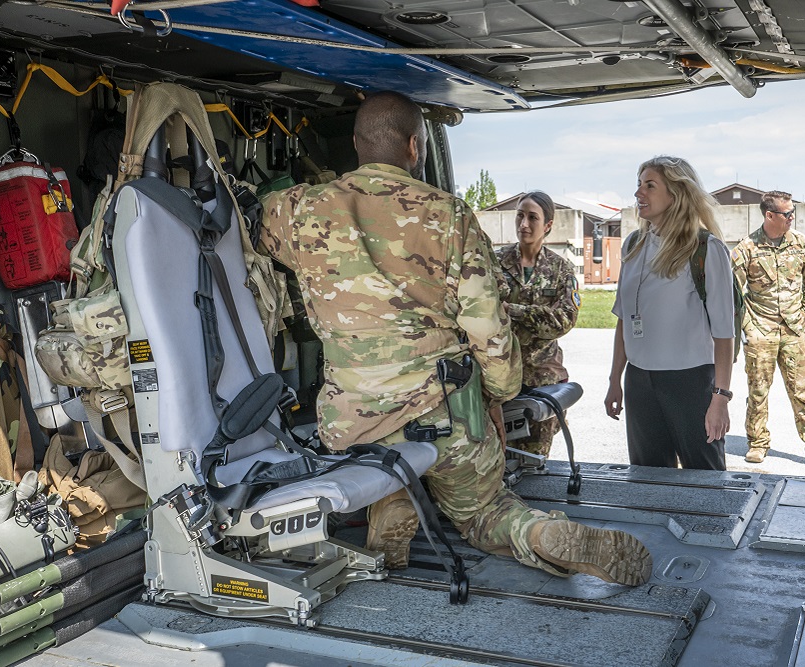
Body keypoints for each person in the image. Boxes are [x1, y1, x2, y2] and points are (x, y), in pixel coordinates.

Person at [260, 91, 651, 586]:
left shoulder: (300, 210)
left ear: (357, 144)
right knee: (485, 512)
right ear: (415, 146)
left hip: (357, 420)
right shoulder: (448, 214)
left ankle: (393, 500)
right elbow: (487, 325)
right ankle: (536, 535)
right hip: (445, 411)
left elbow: (250, 224)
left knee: (380, 464)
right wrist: (501, 391)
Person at [604, 156, 734, 470]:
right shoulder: (633, 244)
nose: (639, 193)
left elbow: (724, 333)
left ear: (675, 195)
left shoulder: (706, 249)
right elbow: (624, 320)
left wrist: (720, 398)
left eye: (650, 185)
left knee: (705, 480)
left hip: (690, 383)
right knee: (647, 477)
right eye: (639, 185)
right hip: (639, 382)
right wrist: (614, 380)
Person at [731, 191, 805, 472]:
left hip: (794, 330)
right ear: (769, 215)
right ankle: (758, 443)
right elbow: (731, 294)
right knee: (758, 391)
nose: (792, 218)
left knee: (803, 391)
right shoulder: (746, 249)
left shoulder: (801, 244)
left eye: (793, 213)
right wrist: (745, 327)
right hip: (760, 330)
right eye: (787, 214)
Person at [495, 192, 579, 458]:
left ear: (548, 225)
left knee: (536, 463)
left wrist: (513, 310)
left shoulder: (560, 269)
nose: (524, 224)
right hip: (499, 380)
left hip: (542, 382)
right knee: (498, 462)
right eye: (520, 215)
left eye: (533, 217)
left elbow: (563, 322)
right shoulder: (494, 264)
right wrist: (539, 315)